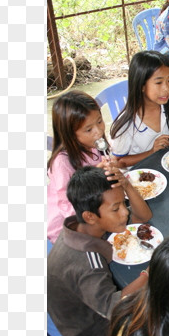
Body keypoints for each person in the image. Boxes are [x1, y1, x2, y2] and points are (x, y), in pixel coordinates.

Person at [47, 166, 152, 336]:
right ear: (90, 216)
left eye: (123, 203)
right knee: (159, 307)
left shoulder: (79, 225)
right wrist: (149, 274)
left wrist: (126, 184)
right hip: (90, 329)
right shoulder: (88, 261)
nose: (125, 212)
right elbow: (113, 308)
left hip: (80, 305)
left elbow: (144, 216)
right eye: (116, 208)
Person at [110, 50, 169, 168]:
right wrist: (152, 152)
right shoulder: (127, 123)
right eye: (158, 83)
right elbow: (118, 161)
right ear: (141, 85)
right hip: (144, 179)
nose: (166, 89)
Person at [47, 90, 114, 242]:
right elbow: (66, 205)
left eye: (99, 121)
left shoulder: (93, 144)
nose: (98, 131)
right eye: (88, 129)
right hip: (72, 225)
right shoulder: (62, 163)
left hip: (94, 208)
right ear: (70, 133)